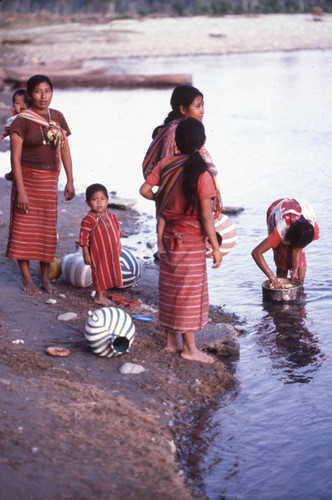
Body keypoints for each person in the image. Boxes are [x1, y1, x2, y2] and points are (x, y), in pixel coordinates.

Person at [140, 117, 222, 364]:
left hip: (167, 236)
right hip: (191, 240)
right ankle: (189, 348)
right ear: (203, 142)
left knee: (170, 288)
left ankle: (170, 342)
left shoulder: (166, 163)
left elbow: (144, 190)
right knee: (189, 293)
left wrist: (160, 199)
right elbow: (207, 218)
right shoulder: (202, 174)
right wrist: (216, 248)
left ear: (175, 141)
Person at [6, 74, 75, 295]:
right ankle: (27, 280)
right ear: (30, 94)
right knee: (23, 229)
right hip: (26, 179)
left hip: (49, 181)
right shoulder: (22, 121)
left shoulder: (58, 117)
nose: (43, 96)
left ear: (52, 93)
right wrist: (22, 192)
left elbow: (64, 148)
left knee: (47, 230)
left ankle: (45, 279)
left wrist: (70, 180)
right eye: (38, 91)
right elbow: (14, 159)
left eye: (47, 91)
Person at [142, 84, 222, 255]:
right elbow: (171, 173)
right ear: (183, 109)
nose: (203, 111)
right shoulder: (175, 133)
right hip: (180, 214)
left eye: (203, 106)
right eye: (198, 106)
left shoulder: (184, 130)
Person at [251, 198, 319, 288]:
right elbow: (256, 252)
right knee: (282, 262)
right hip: (277, 209)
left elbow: (298, 247)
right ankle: (280, 290)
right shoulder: (281, 231)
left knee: (300, 274)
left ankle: (300, 292)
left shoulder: (311, 230)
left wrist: (294, 268)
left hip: (297, 211)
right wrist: (272, 278)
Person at [79, 183, 123, 306]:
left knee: (109, 271)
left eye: (102, 199)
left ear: (107, 200)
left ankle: (103, 294)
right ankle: (99, 296)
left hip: (111, 251)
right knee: (100, 273)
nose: (99, 203)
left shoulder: (111, 216)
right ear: (88, 202)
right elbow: (83, 239)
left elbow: (117, 234)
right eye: (94, 199)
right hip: (98, 253)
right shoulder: (88, 219)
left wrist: (119, 248)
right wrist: (86, 254)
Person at [0, 89, 30, 181]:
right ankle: (13, 171)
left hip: (28, 143)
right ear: (13, 105)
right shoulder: (13, 119)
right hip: (17, 143)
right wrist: (2, 136)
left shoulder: (32, 116)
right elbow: (7, 129)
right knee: (15, 157)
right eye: (17, 103)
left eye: (25, 103)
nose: (21, 106)